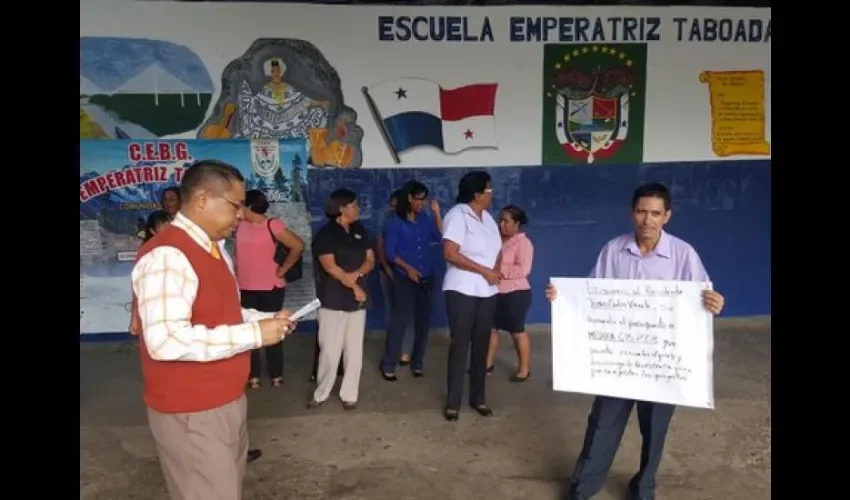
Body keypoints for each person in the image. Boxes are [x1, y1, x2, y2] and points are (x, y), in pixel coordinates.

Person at [544, 182, 726, 500]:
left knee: (655, 430)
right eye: (642, 212)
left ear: (667, 216)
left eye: (655, 213)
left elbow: (700, 298)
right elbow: (591, 294)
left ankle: (643, 488)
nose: (647, 220)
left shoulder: (683, 254)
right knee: (602, 424)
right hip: (618, 358)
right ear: (632, 213)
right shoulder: (614, 250)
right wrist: (564, 298)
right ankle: (582, 487)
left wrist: (714, 302)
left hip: (662, 362)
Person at [131, 159, 296, 500]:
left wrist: (262, 320)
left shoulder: (213, 248)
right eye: (236, 205)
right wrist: (254, 335)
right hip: (192, 409)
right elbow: (166, 340)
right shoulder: (168, 255)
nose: (241, 215)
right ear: (202, 199)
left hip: (224, 398)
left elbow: (222, 311)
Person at [441, 171, 502, 422]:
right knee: (460, 345)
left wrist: (496, 269)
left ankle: (478, 398)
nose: (491, 194)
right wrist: (485, 271)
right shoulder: (458, 215)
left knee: (481, 344)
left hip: (487, 291)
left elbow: (497, 249)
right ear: (477, 194)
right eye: (488, 190)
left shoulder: (488, 218)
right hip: (462, 290)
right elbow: (450, 253)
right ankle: (453, 402)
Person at [309, 188, 375, 410]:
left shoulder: (360, 230)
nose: (358, 209)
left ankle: (349, 395)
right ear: (341, 208)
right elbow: (330, 267)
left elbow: (370, 259)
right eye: (354, 205)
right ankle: (321, 393)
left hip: (357, 300)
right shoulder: (325, 235)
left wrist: (358, 275)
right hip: (333, 300)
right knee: (330, 350)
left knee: (354, 350)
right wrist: (354, 286)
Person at [235, 189, 304, 389]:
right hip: (244, 286)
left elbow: (298, 245)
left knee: (274, 327)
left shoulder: (272, 225)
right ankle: (253, 375)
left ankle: (276, 373)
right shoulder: (239, 225)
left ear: (249, 207)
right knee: (249, 330)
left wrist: (284, 268)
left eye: (241, 206)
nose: (238, 210)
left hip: (270, 287)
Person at [379, 181, 442, 380]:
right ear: (408, 198)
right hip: (405, 279)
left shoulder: (424, 219)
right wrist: (408, 269)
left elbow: (440, 236)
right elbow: (390, 253)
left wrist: (436, 213)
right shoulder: (395, 222)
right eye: (418, 199)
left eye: (423, 199)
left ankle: (417, 363)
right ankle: (389, 363)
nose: (421, 203)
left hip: (426, 277)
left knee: (423, 322)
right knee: (400, 320)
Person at [486, 205, 534, 382]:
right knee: (490, 328)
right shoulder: (496, 241)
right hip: (494, 291)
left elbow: (524, 269)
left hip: (516, 293)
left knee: (516, 331)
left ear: (517, 223)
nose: (501, 224)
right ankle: (487, 364)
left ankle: (524, 369)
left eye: (506, 221)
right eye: (500, 220)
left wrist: (499, 270)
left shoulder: (524, 243)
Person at [376, 190, 414, 365]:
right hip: (389, 272)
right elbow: (380, 246)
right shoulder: (385, 217)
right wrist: (387, 270)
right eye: (391, 206)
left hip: (409, 273)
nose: (392, 209)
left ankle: (405, 351)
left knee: (408, 313)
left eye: (395, 206)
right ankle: (393, 350)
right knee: (392, 313)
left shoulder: (413, 219)